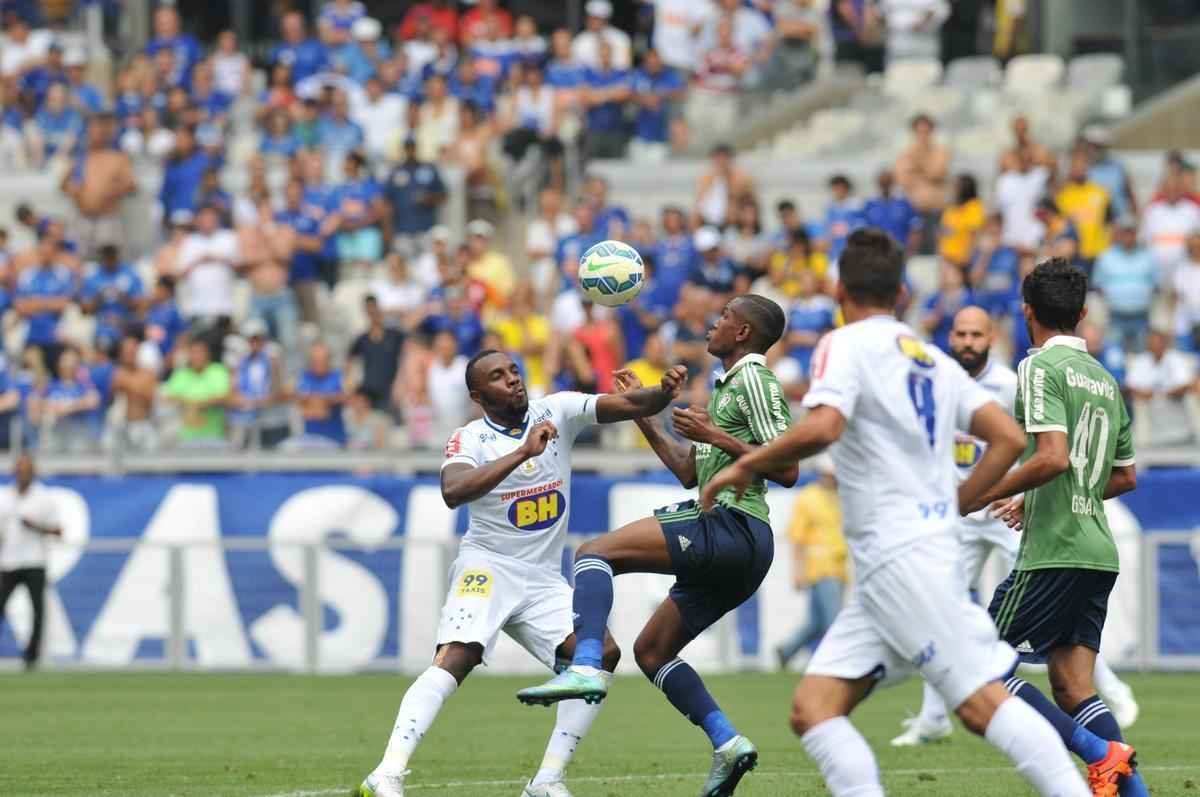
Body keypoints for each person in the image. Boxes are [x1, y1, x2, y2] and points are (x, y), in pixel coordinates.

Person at [702, 229, 1091, 797]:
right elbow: (1006, 437)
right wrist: (958, 504)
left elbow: (826, 424)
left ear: (839, 287)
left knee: (983, 704)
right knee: (814, 709)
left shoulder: (845, 345)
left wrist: (747, 462)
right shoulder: (930, 356)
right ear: (903, 291)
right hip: (898, 563)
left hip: (901, 558)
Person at [354, 348, 686, 797]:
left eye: (514, 370)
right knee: (458, 656)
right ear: (477, 394)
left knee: (600, 654)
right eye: (497, 376)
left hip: (543, 578)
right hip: (488, 567)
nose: (512, 379)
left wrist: (660, 393)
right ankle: (386, 774)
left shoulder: (559, 409)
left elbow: (628, 405)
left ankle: (547, 781)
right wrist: (523, 453)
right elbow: (453, 491)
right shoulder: (468, 438)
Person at [517, 295, 796, 797]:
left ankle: (585, 664)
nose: (715, 321)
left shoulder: (755, 378)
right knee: (651, 650)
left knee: (593, 554)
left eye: (726, 316)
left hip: (733, 523)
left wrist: (714, 432)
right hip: (740, 545)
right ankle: (727, 742)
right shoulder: (728, 386)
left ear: (744, 334)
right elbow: (688, 470)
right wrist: (643, 414)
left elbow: (789, 466)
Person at [965, 258, 1149, 796]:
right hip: (1097, 549)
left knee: (978, 664)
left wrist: (986, 491)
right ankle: (1134, 792)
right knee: (1072, 687)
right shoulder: (1104, 379)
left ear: (1027, 312)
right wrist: (1037, 499)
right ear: (1083, 313)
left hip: (1055, 551)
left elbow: (1052, 458)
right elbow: (1125, 476)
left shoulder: (1037, 368)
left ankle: (1098, 752)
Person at [775, 455, 846, 669]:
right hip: (820, 568)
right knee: (833, 622)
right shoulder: (808, 498)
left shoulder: (840, 497)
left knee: (816, 622)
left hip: (839, 568)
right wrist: (797, 571)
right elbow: (797, 538)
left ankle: (786, 651)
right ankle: (836, 664)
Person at [0, 453, 62, 670]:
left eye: (26, 470)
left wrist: (36, 526)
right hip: (9, 561)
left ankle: (31, 657)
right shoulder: (4, 497)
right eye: (19, 470)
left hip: (35, 561)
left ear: (33, 473)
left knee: (37, 611)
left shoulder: (43, 497)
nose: (22, 474)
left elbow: (58, 529)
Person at [60, 113, 136, 259]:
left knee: (108, 260)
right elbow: (63, 185)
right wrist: (72, 188)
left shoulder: (117, 158)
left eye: (99, 132)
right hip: (82, 218)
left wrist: (114, 192)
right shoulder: (80, 158)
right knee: (78, 259)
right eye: (91, 132)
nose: (95, 136)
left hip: (107, 219)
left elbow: (131, 185)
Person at [1092, 216, 1158, 352]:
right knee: (1114, 358)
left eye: (1131, 232)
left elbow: (1156, 286)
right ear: (1119, 233)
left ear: (1136, 233)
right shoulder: (1106, 257)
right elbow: (1098, 287)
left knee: (1142, 359)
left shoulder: (1149, 256)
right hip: (1115, 318)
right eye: (1125, 232)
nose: (1128, 235)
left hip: (1142, 317)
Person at [1126, 330, 1200, 449]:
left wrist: (1157, 394)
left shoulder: (1176, 358)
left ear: (1164, 343)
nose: (1155, 346)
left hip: (1178, 419)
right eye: (1151, 343)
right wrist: (1162, 393)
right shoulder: (1141, 361)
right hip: (1153, 422)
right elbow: (1131, 387)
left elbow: (1185, 386)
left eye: (1157, 342)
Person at [383, 137, 447, 257]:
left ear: (416, 149)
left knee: (426, 265)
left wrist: (429, 198)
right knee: (405, 266)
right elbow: (387, 202)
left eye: (412, 147)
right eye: (407, 148)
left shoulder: (429, 169)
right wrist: (387, 229)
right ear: (404, 150)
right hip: (402, 229)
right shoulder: (396, 171)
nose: (410, 151)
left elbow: (443, 195)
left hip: (425, 228)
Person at [894, 114, 951, 249]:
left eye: (926, 131)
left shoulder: (940, 150)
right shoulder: (906, 152)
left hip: (938, 210)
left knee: (939, 248)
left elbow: (938, 172)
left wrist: (918, 165)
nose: (923, 135)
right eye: (920, 131)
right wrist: (923, 171)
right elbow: (903, 179)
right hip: (915, 210)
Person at [163, 337, 232, 447]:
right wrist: (190, 403)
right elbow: (167, 398)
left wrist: (197, 405)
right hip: (186, 437)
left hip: (214, 437)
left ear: (207, 354)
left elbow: (225, 396)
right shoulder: (181, 374)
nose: (197, 356)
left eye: (200, 352)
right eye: (193, 352)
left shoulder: (218, 371)